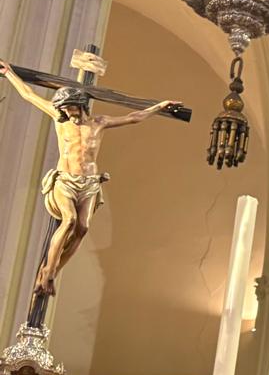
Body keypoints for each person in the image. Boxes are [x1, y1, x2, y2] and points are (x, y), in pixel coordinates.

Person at [1, 60, 175, 298]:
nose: (67, 113)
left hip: (90, 183)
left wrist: (159, 107)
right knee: (70, 220)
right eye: (63, 109)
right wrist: (8, 73)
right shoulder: (58, 119)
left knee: (83, 228)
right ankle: (48, 271)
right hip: (66, 181)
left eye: (70, 108)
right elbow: (29, 95)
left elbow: (134, 117)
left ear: (80, 105)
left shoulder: (99, 123)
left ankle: (54, 272)